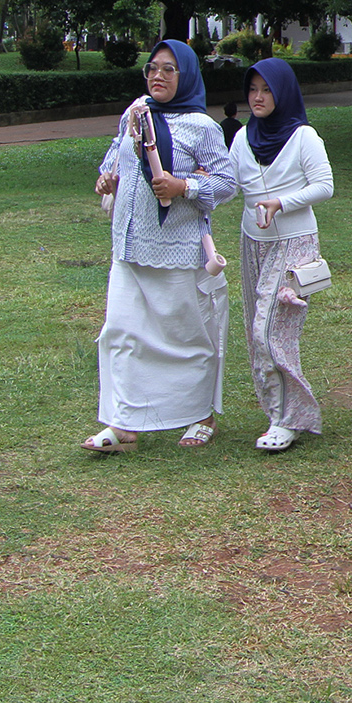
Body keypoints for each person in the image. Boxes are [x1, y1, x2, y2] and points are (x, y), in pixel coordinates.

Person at [84, 40, 238, 452]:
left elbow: (226, 184)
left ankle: (200, 415)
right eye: (153, 68)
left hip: (177, 250)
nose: (158, 76)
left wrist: (182, 186)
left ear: (185, 75)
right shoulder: (136, 114)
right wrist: (107, 179)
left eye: (169, 69)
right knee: (120, 331)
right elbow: (113, 159)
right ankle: (123, 424)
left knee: (185, 336)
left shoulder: (201, 126)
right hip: (128, 248)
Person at [230, 59, 333, 452]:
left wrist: (281, 202)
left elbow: (324, 185)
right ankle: (277, 413)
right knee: (254, 332)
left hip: (294, 243)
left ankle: (289, 419)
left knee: (269, 331)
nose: (258, 97)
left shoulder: (303, 136)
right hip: (252, 242)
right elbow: (229, 184)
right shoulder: (242, 137)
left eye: (267, 90)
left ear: (283, 92)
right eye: (253, 89)